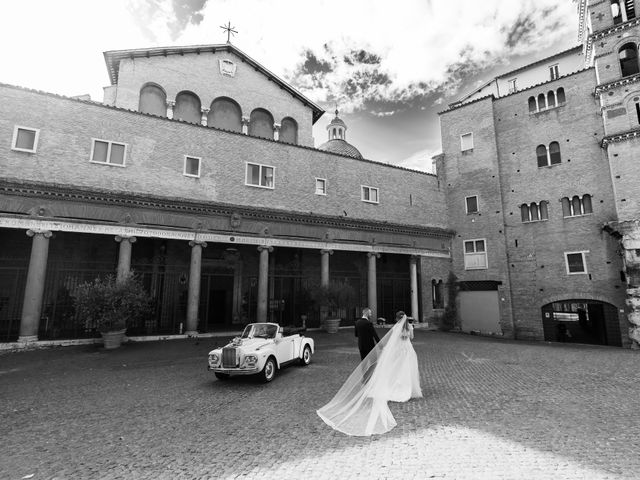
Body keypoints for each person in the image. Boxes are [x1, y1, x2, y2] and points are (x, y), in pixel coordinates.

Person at [317, 310, 422, 436]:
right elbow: (411, 337)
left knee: (389, 369)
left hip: (378, 348)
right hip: (406, 350)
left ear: (397, 319)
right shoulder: (409, 327)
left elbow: (359, 335)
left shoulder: (391, 327)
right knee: (405, 370)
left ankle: (372, 381)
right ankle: (406, 389)